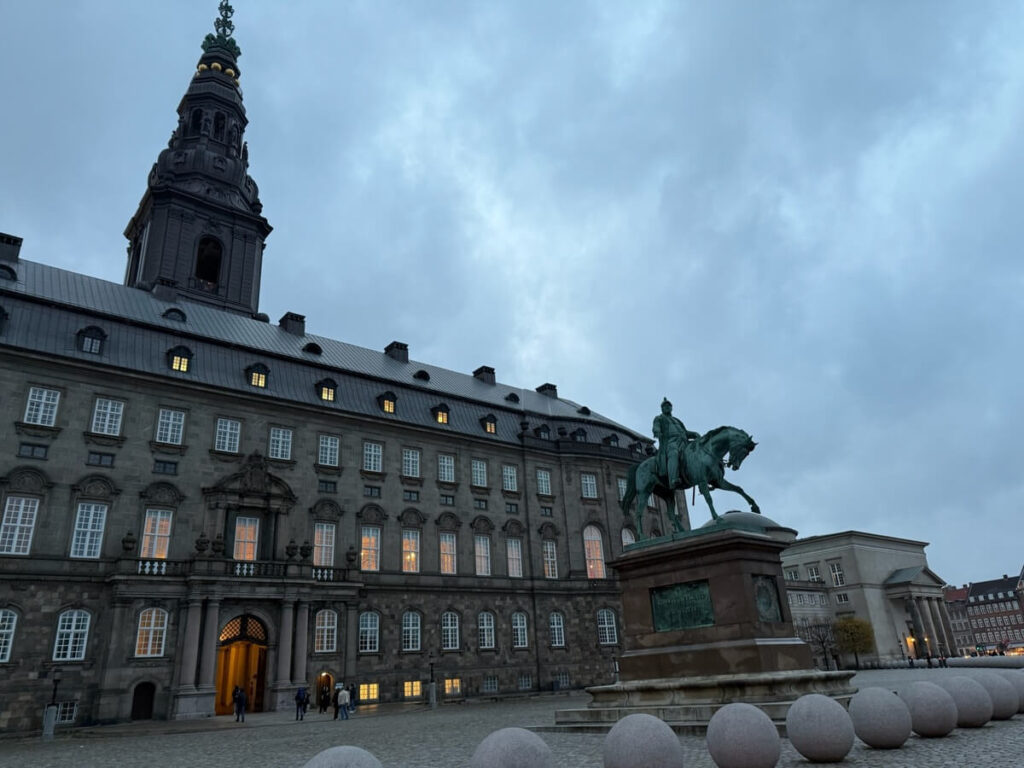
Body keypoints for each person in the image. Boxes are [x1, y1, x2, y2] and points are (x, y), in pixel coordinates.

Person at [652, 398, 700, 489]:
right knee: (673, 453)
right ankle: (673, 479)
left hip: (683, 442)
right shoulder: (659, 418)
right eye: (665, 406)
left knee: (698, 449)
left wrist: (694, 434)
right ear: (662, 409)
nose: (667, 407)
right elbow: (656, 427)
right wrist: (657, 432)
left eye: (668, 406)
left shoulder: (677, 420)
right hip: (670, 442)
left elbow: (685, 432)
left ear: (671, 408)